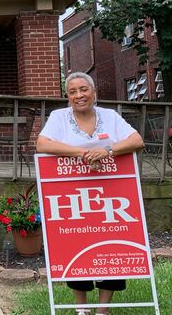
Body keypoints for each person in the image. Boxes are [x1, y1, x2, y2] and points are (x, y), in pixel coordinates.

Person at [35, 71, 144, 315]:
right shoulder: (59, 117)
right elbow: (42, 144)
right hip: (72, 195)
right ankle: (81, 308)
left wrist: (107, 150)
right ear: (67, 97)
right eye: (72, 92)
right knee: (76, 245)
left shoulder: (110, 116)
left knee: (112, 249)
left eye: (83, 89)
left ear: (94, 92)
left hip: (112, 194)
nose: (79, 95)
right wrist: (83, 154)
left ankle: (103, 310)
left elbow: (136, 141)